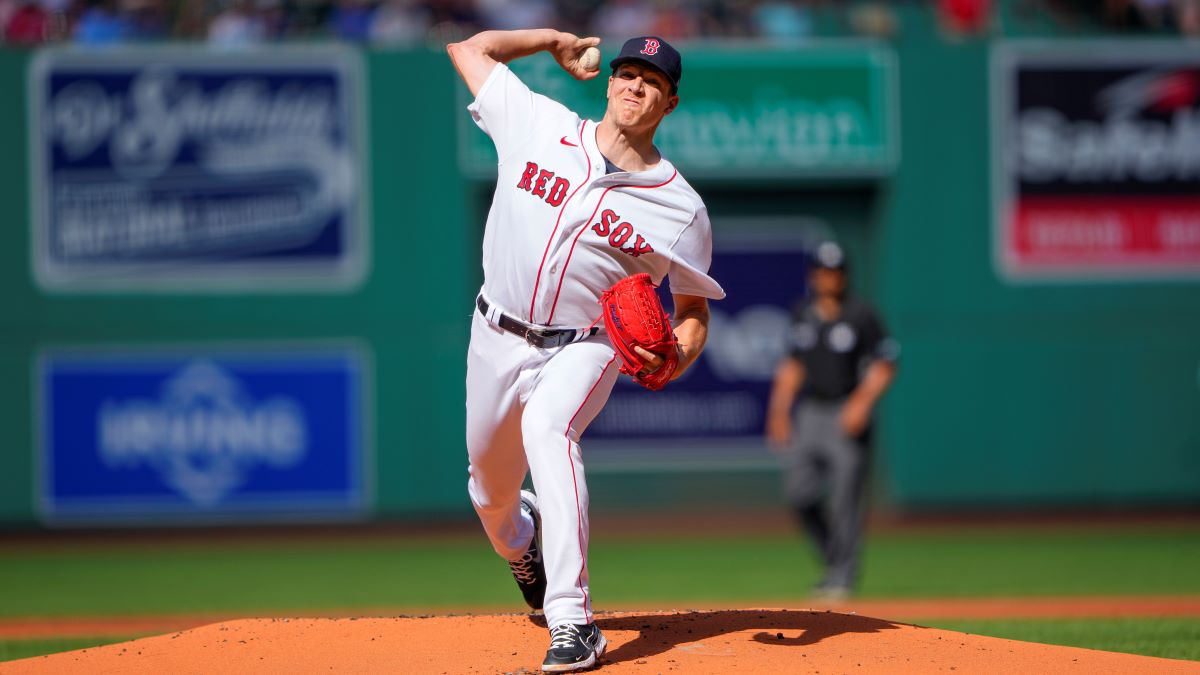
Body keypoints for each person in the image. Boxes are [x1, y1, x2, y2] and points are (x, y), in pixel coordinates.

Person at [446, 30, 724, 672]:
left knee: (550, 429)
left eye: (652, 81)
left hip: (584, 344)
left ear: (670, 103)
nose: (635, 86)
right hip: (495, 332)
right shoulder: (540, 124)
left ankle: (573, 624)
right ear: (608, 81)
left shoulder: (681, 209)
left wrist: (676, 356)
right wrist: (549, 41)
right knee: (489, 495)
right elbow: (467, 50)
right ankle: (522, 544)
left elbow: (692, 311)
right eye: (628, 73)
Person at [765, 241, 897, 600]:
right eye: (824, 272)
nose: (830, 278)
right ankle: (832, 560)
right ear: (814, 276)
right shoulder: (803, 313)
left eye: (836, 272)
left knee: (845, 499)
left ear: (845, 276)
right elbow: (793, 365)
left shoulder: (861, 314)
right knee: (800, 492)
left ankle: (842, 575)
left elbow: (885, 364)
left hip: (845, 408)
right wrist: (779, 411)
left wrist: (862, 403)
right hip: (811, 411)